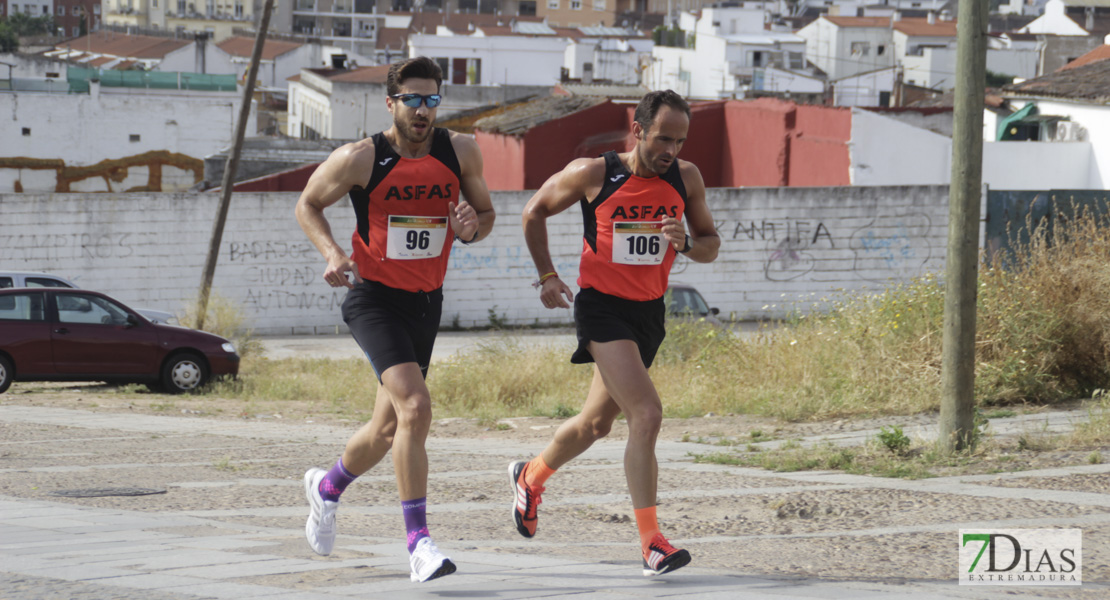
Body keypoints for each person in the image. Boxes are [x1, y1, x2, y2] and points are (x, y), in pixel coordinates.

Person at [295, 56, 495, 583]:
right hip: (374, 298)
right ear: (392, 103)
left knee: (387, 429)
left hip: (425, 303)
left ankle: (327, 488)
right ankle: (418, 543)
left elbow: (485, 217)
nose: (423, 110)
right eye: (413, 99)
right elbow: (308, 204)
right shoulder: (362, 158)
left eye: (432, 100)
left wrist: (472, 226)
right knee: (415, 406)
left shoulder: (461, 152)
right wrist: (333, 253)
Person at [512, 90, 719, 577]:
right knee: (646, 414)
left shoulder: (685, 179)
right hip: (602, 310)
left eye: (680, 140)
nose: (671, 149)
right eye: (664, 138)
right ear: (639, 129)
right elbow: (533, 211)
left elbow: (710, 245)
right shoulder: (595, 174)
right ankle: (652, 542)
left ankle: (530, 475)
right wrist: (546, 275)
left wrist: (685, 242)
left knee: (594, 425)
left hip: (648, 316)